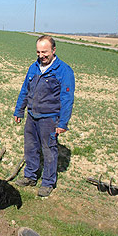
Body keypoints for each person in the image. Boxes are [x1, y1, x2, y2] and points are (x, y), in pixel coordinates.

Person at [13, 35, 75, 197]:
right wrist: (19, 110)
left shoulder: (64, 71)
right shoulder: (33, 67)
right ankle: (30, 176)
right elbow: (25, 90)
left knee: (49, 150)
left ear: (54, 50)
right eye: (38, 52)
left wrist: (62, 123)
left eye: (45, 52)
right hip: (32, 115)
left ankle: (48, 182)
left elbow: (67, 99)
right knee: (30, 147)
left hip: (50, 118)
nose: (41, 56)